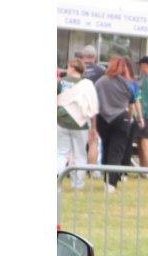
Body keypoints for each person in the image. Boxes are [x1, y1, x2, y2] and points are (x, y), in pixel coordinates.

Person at [93, 55, 140, 190]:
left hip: (103, 118)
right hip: (121, 118)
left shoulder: (100, 82)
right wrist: (131, 118)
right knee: (117, 150)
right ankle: (111, 183)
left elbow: (95, 100)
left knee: (106, 148)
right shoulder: (127, 83)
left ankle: (107, 176)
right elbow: (132, 103)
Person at [56, 60, 98, 186]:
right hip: (81, 123)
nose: (67, 69)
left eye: (68, 67)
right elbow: (93, 107)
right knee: (80, 154)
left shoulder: (61, 82)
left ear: (73, 68)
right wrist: (94, 128)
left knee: (61, 152)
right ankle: (78, 184)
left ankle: (57, 178)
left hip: (62, 120)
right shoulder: (88, 85)